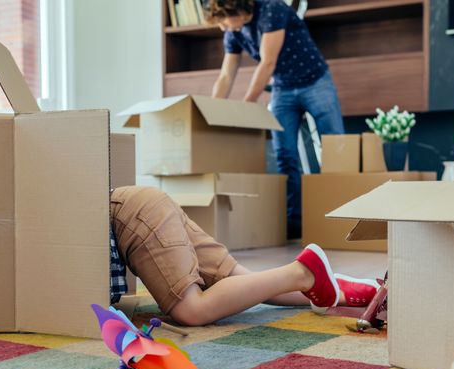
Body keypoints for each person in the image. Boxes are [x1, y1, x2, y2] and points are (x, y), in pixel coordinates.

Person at [110, 186, 379, 326]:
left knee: (191, 309)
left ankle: (303, 272)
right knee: (245, 282)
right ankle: (340, 290)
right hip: (140, 202)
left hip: (130, 214)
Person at [204, 0, 345, 239]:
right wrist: (211, 111)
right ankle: (295, 222)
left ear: (236, 9)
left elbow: (267, 63)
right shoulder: (233, 32)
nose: (222, 27)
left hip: (315, 81)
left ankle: (341, 218)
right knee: (285, 155)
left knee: (336, 149)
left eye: (223, 20)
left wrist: (246, 105)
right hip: (283, 89)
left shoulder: (272, 9)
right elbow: (226, 75)